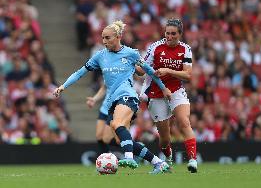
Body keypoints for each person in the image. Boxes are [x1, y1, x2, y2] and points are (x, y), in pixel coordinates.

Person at [53, 20, 171, 174]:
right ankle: (158, 163)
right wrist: (63, 86)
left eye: (107, 38)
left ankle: (129, 158)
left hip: (128, 96)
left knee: (117, 124)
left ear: (118, 37)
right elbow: (80, 72)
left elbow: (150, 72)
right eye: (103, 38)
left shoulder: (131, 53)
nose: (104, 41)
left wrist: (164, 88)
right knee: (118, 139)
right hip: (112, 102)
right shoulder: (100, 56)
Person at [137, 18, 197, 173]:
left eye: (173, 34)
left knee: (184, 122)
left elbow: (188, 75)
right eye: (167, 33)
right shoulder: (155, 47)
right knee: (165, 138)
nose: (170, 37)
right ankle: (168, 160)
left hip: (176, 91)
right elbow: (142, 71)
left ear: (180, 34)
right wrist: (133, 63)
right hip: (156, 94)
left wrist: (168, 70)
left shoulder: (185, 49)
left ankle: (192, 160)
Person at [86, 83, 117, 155]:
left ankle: (132, 145)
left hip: (115, 111)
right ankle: (106, 160)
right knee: (99, 137)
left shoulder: (124, 75)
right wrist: (94, 99)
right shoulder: (108, 73)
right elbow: (103, 88)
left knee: (106, 138)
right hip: (104, 109)